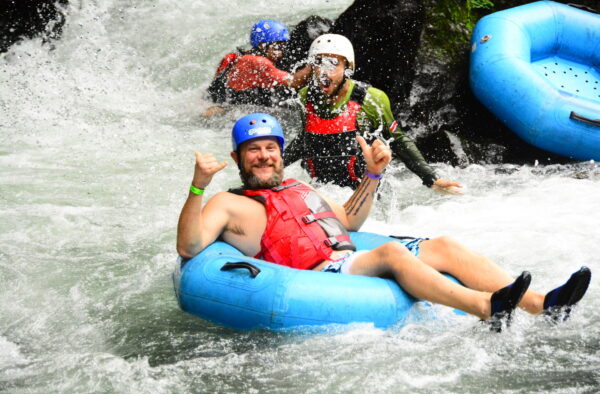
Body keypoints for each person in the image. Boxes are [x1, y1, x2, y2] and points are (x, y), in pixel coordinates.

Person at [177, 113, 591, 331]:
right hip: (323, 275)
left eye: (271, 147)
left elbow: (348, 222)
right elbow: (190, 248)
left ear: (281, 153)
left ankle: (543, 304)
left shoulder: (300, 188)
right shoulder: (229, 204)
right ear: (237, 159)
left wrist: (373, 174)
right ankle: (486, 307)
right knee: (392, 251)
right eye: (254, 150)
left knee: (444, 244)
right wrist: (197, 187)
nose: (265, 156)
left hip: (348, 255)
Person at [284, 33, 463, 192]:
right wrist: (273, 167)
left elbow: (398, 141)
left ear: (348, 68)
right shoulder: (305, 97)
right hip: (323, 193)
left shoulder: (371, 99)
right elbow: (306, 141)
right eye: (318, 63)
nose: (324, 72)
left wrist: (431, 178)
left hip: (363, 194)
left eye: (333, 64)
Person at [206, 19, 312, 110]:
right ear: (262, 45)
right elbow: (294, 82)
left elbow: (213, 90)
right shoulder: (259, 62)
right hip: (229, 113)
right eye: (277, 48)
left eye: (282, 48)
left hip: (211, 107)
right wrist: (314, 63)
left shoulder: (233, 57)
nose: (280, 54)